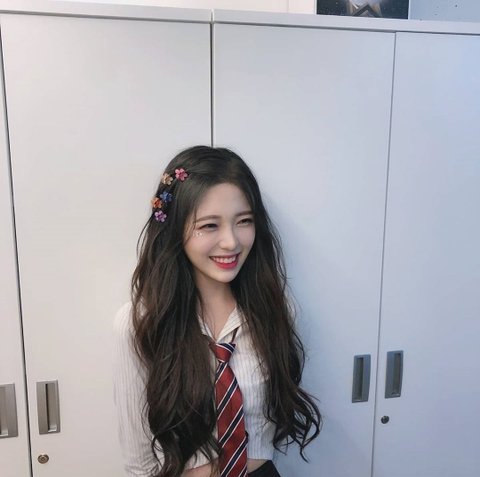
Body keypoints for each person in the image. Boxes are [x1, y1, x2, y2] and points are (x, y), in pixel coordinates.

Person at [113, 146, 321, 477]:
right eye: (209, 225)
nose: (231, 242)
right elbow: (138, 460)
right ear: (175, 229)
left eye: (244, 221)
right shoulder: (142, 322)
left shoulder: (276, 310)